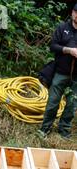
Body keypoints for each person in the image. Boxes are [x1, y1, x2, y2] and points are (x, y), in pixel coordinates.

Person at [38, 4, 77, 140]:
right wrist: (68, 50)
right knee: (53, 102)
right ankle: (45, 129)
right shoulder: (62, 28)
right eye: (76, 12)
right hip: (60, 72)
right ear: (72, 12)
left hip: (76, 77)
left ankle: (64, 130)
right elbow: (53, 46)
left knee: (72, 105)